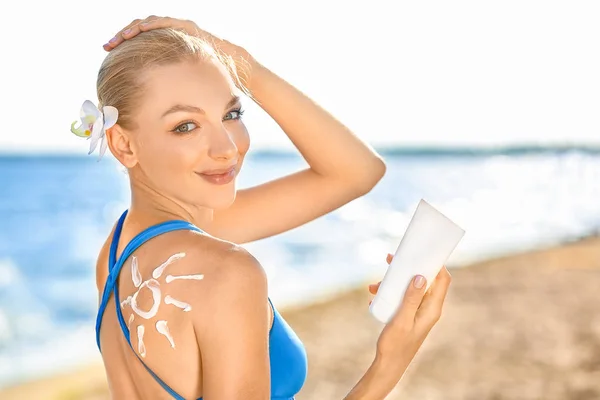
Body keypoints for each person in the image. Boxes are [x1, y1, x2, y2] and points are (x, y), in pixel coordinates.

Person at [75, 15, 452, 400]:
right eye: (185, 126)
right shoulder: (227, 271)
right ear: (123, 145)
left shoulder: (117, 252)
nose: (227, 148)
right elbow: (359, 172)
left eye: (231, 114)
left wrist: (236, 61)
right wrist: (390, 363)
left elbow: (358, 172)